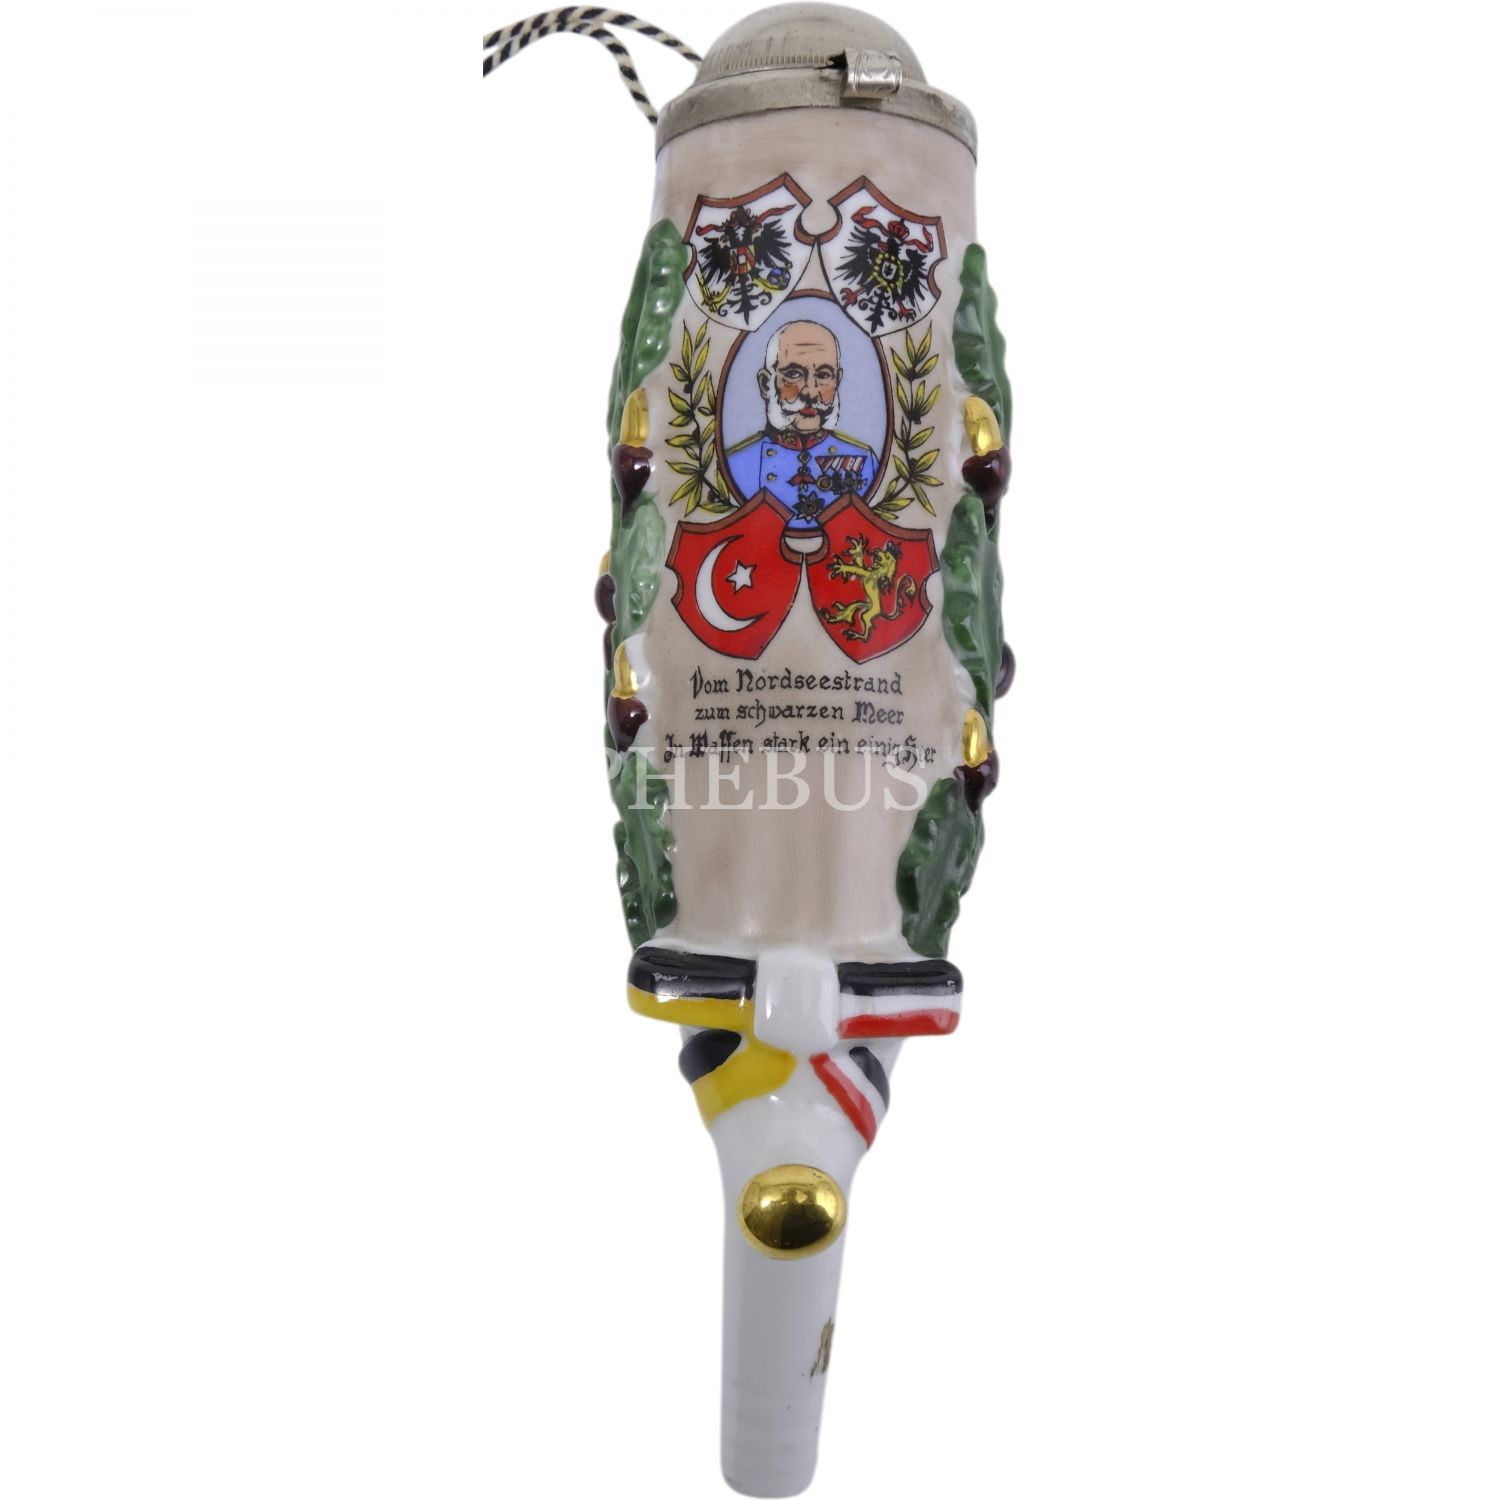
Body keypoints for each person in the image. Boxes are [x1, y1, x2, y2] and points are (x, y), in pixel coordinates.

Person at [725, 320, 877, 528]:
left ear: (837, 382)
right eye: (794, 374)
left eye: (823, 375)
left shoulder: (865, 460)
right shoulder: (734, 463)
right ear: (765, 384)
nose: (811, 392)